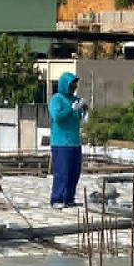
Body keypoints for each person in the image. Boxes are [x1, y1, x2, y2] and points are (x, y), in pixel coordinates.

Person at [48, 72, 89, 209]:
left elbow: (79, 118)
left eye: (75, 86)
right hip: (61, 143)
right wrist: (71, 110)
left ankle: (69, 198)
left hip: (74, 142)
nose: (73, 89)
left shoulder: (75, 99)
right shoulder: (57, 99)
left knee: (74, 172)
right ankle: (57, 198)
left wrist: (83, 110)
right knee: (62, 172)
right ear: (65, 85)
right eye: (71, 86)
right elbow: (57, 117)